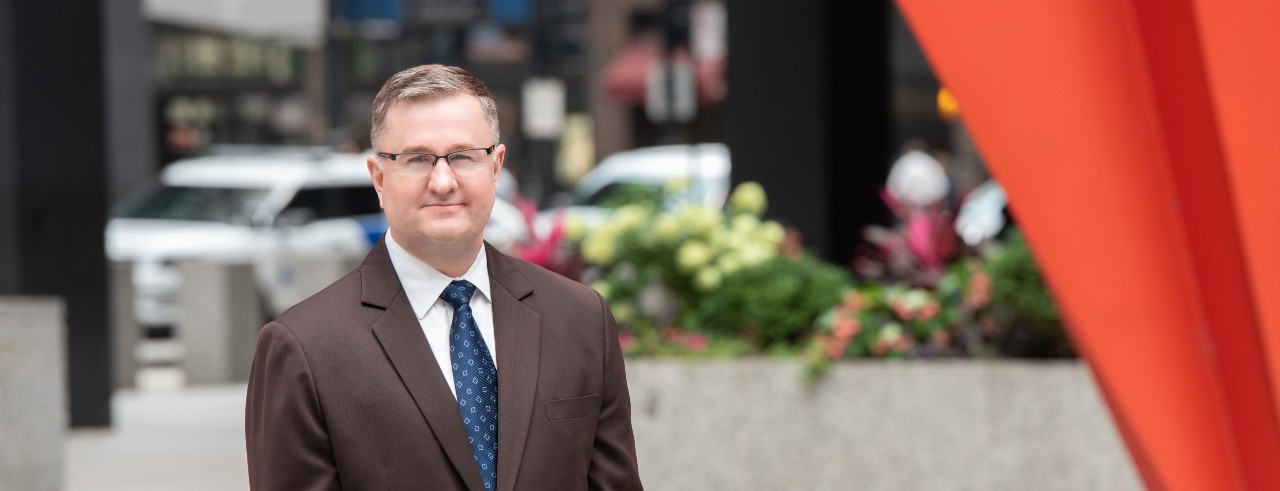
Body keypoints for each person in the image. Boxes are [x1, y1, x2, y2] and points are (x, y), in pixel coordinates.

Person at [245, 64, 643, 490]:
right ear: (379, 178)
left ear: (496, 166)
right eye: (416, 159)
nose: (442, 181)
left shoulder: (581, 319)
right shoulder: (304, 347)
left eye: (462, 156)